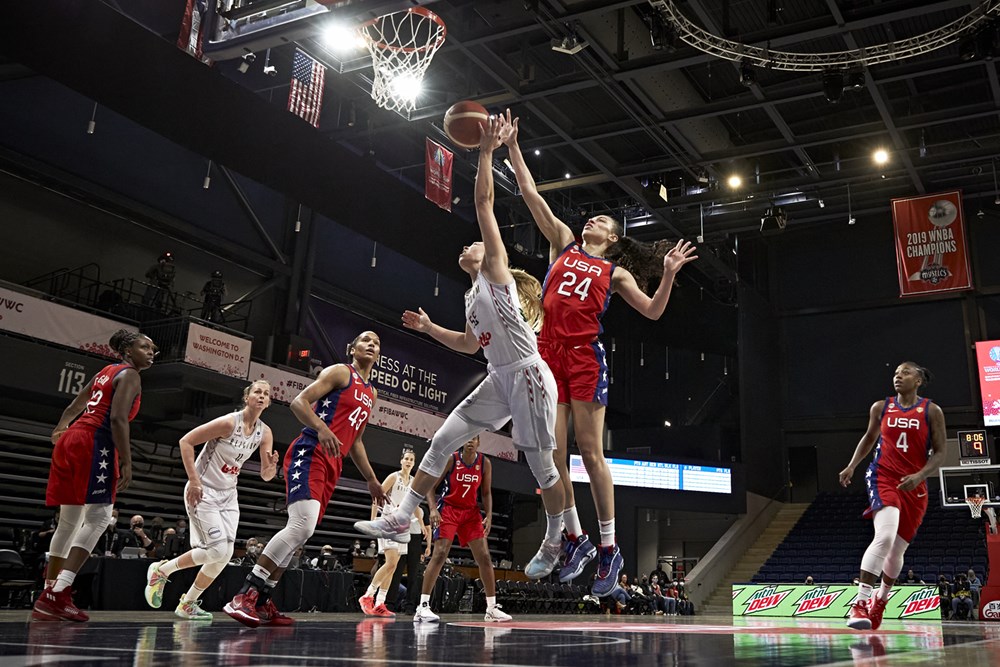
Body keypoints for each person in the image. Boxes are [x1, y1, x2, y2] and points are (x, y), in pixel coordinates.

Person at [354, 114, 568, 590]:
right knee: (442, 438)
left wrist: (487, 150)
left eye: (472, 242)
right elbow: (470, 345)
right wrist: (431, 328)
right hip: (497, 376)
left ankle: (557, 537)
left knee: (542, 466)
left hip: (529, 375)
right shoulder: (471, 296)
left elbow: (484, 202)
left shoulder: (496, 270)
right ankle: (400, 515)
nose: (468, 244)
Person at [500, 110, 698, 596]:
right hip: (547, 352)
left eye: (604, 221)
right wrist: (511, 148)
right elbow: (530, 195)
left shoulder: (615, 274)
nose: (593, 219)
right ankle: (576, 538)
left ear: (612, 238)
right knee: (550, 456)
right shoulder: (562, 244)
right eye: (594, 216)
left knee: (590, 453)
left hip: (584, 356)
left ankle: (610, 549)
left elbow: (652, 313)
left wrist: (669, 272)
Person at [224, 331, 388, 628]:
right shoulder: (340, 372)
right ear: (352, 348)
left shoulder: (372, 393)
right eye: (365, 340)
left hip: (333, 462)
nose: (371, 345)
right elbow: (299, 403)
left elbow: (358, 441)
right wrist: (323, 428)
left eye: (376, 343)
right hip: (311, 449)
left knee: (301, 532)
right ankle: (243, 595)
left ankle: (261, 601)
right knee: (302, 525)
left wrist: (372, 480)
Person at [32, 329, 156, 622]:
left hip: (72, 438)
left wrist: (61, 426)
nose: (151, 352)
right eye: (145, 347)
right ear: (127, 350)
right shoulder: (130, 375)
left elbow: (77, 403)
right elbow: (116, 418)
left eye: (154, 349)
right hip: (95, 441)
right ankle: (59, 593)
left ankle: (48, 591)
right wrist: (126, 460)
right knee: (100, 517)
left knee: (69, 521)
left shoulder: (105, 372)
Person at [142, 380, 277, 621]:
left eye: (266, 394)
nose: (261, 395)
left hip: (229, 496)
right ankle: (162, 570)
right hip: (203, 491)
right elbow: (186, 441)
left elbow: (266, 476)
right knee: (215, 550)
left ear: (268, 403)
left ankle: (188, 603)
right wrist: (194, 481)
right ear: (247, 397)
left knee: (224, 555)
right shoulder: (228, 422)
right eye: (257, 391)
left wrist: (272, 467)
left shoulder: (264, 432)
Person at [838, 362, 947, 631]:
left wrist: (921, 475)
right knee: (884, 536)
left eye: (905, 373)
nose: (898, 376)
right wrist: (852, 465)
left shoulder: (932, 411)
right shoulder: (881, 407)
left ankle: (881, 602)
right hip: (883, 476)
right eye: (896, 373)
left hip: (915, 485)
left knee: (897, 550)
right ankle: (860, 603)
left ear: (919, 380)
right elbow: (869, 438)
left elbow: (941, 452)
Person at [408, 436, 510, 623]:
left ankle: (491, 608)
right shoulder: (452, 459)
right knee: (439, 553)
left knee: (485, 557)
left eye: (475, 439)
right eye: (468, 438)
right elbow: (431, 486)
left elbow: (486, 493)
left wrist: (489, 515)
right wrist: (432, 509)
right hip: (448, 509)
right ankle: (422, 607)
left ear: (479, 442)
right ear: (463, 441)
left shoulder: (484, 463)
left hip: (470, 513)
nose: (470, 441)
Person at [359, 448, 426, 617]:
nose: (409, 461)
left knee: (394, 566)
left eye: (412, 459)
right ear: (401, 461)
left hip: (403, 527)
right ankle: (368, 596)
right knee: (390, 563)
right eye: (406, 459)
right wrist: (373, 520)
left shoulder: (413, 481)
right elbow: (377, 497)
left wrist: (423, 525)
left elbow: (415, 506)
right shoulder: (393, 477)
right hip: (388, 523)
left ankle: (380, 603)